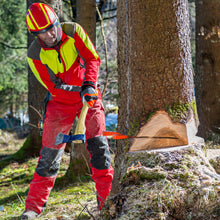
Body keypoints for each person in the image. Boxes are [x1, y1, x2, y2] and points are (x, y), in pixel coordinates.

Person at [21, 3, 114, 219]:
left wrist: (89, 86)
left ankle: (107, 203)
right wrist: (72, 97)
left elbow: (92, 58)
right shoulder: (35, 54)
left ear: (56, 21)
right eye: (43, 33)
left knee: (100, 151)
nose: (50, 34)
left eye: (52, 27)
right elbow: (52, 86)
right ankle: (33, 208)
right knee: (49, 156)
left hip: (89, 97)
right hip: (60, 103)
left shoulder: (74, 31)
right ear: (36, 35)